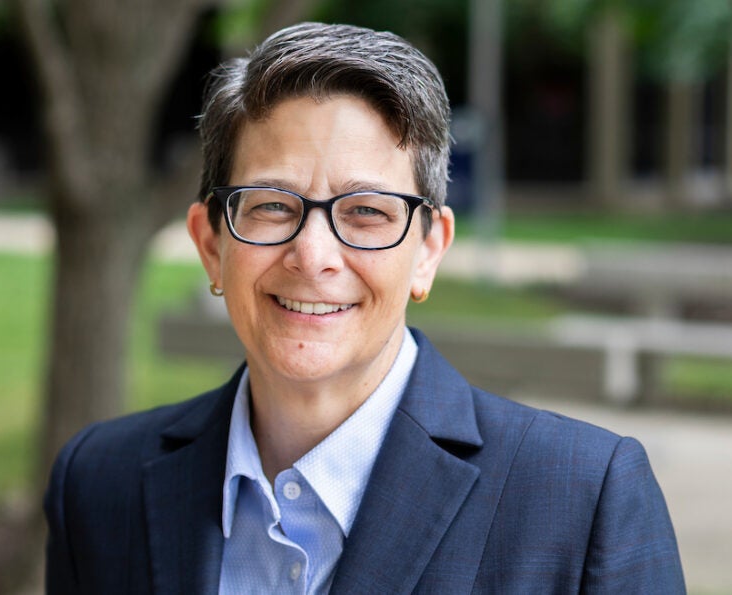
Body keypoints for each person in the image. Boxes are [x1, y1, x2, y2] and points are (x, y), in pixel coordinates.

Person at [43, 22, 684, 594]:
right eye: (271, 204)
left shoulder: (582, 500)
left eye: (367, 212)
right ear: (212, 245)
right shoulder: (100, 484)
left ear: (428, 251)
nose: (312, 254)